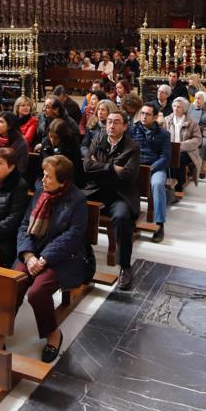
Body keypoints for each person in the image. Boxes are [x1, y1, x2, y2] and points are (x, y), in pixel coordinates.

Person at [16, 155, 90, 363]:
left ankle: (52, 333)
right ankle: (0, 330)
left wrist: (44, 259)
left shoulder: (77, 200)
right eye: (44, 175)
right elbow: (24, 226)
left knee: (37, 292)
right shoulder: (41, 191)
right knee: (12, 282)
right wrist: (29, 256)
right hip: (33, 251)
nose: (43, 179)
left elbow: (73, 236)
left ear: (63, 181)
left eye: (49, 177)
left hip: (62, 257)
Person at [82, 110, 141, 289]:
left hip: (119, 194)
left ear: (125, 126)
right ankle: (79, 260)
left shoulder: (132, 147)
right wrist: (112, 168)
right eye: (108, 122)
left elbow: (128, 177)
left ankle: (125, 267)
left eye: (116, 122)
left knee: (123, 218)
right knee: (71, 207)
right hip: (96, 191)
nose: (111, 126)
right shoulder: (98, 140)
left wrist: (99, 168)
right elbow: (86, 166)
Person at [129, 102, 172, 243]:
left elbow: (166, 157)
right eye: (142, 113)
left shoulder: (164, 134)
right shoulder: (132, 130)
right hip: (135, 167)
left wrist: (152, 168)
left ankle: (159, 225)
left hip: (155, 168)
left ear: (154, 117)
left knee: (159, 185)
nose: (143, 116)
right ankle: (129, 220)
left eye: (147, 114)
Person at [164, 97, 203, 191]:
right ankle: (167, 183)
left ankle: (178, 186)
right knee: (165, 157)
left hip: (187, 151)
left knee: (179, 158)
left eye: (179, 107)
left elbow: (198, 139)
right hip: (169, 148)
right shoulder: (166, 120)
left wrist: (181, 146)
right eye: (174, 106)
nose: (175, 109)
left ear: (184, 109)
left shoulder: (191, 122)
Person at [39, 118, 83, 189]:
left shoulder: (71, 145)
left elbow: (74, 168)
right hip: (47, 175)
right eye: (51, 136)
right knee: (39, 187)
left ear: (62, 136)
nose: (52, 140)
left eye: (56, 138)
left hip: (66, 179)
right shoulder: (46, 143)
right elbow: (42, 162)